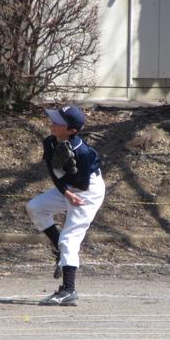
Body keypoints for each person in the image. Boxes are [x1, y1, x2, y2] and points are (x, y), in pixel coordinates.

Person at [26, 105, 105, 306]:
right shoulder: (50, 141)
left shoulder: (83, 152)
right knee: (35, 207)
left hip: (87, 191)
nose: (53, 123)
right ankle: (60, 252)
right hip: (69, 188)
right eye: (54, 119)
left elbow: (82, 184)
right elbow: (54, 174)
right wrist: (66, 192)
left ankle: (69, 291)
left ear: (72, 130)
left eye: (59, 122)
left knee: (69, 239)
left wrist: (70, 188)